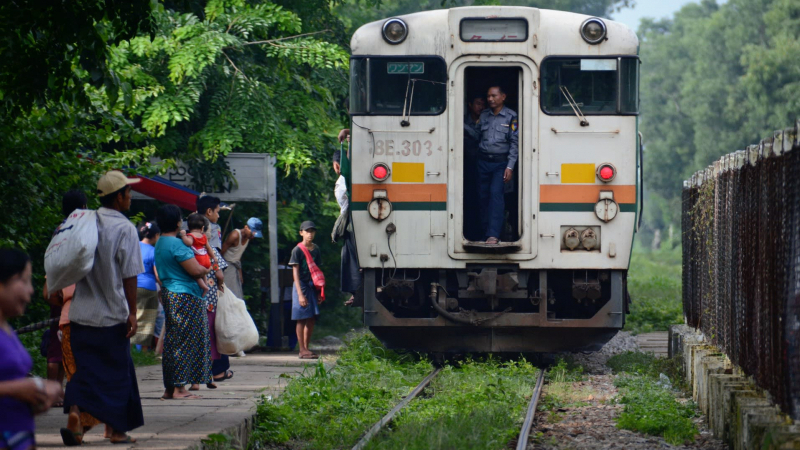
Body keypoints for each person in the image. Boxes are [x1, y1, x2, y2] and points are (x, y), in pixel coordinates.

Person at [62, 170, 145, 445]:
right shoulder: (124, 228)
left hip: (80, 314)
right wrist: (133, 312)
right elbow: (130, 274)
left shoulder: (84, 221)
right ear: (119, 197)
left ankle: (75, 415)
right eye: (128, 192)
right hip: (110, 315)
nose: (131, 197)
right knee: (117, 376)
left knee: (85, 373)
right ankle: (118, 431)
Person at [0, 249, 62, 450]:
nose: (32, 291)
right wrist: (22, 388)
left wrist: (35, 394)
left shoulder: (7, 328)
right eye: (24, 281)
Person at [154, 204, 213, 399]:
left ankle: (170, 388)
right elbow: (195, 270)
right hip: (185, 295)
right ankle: (180, 388)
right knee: (185, 341)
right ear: (178, 222)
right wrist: (208, 268)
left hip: (170, 293)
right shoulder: (177, 245)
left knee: (173, 341)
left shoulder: (160, 243)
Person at [463, 86, 518, 244]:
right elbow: (476, 135)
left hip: (500, 163)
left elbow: (515, 143)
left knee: (496, 196)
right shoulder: (485, 115)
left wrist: (510, 167)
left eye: (494, 96)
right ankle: (485, 233)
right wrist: (462, 126)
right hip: (483, 162)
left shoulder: (511, 116)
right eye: (488, 96)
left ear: (503, 97)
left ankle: (494, 234)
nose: (490, 99)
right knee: (483, 198)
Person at [195, 196, 234, 384]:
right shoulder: (210, 230)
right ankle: (218, 370)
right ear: (209, 212)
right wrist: (219, 273)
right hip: (209, 289)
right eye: (218, 211)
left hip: (192, 287)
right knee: (213, 328)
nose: (218, 215)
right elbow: (214, 256)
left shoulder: (187, 229)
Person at [289, 221, 324, 360]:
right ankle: (302, 349)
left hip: (312, 286)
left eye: (312, 231)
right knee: (301, 318)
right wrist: (300, 294)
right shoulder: (297, 250)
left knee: (311, 318)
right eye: (307, 231)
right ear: (301, 233)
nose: (310, 234)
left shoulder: (316, 249)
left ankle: (306, 347)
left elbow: (318, 271)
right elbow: (295, 273)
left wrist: (319, 291)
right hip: (301, 285)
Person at [132, 222, 160, 351]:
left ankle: (133, 349)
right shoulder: (154, 251)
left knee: (134, 317)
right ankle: (142, 351)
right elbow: (157, 275)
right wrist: (164, 287)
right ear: (155, 236)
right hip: (148, 289)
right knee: (146, 321)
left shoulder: (134, 247)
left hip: (131, 286)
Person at [221, 217, 262, 299]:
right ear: (246, 227)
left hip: (236, 266)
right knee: (229, 295)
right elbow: (221, 252)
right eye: (252, 233)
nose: (253, 236)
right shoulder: (235, 235)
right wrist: (218, 270)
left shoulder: (249, 237)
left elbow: (238, 255)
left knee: (238, 295)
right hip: (226, 267)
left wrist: (240, 272)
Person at [463, 94, 486, 241]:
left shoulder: (488, 119)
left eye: (483, 104)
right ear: (470, 105)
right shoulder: (464, 119)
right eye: (478, 103)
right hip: (466, 166)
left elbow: (478, 136)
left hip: (484, 164)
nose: (481, 107)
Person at [180, 213, 217, 298]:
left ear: (189, 227)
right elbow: (208, 248)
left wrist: (183, 235)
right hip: (206, 259)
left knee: (196, 275)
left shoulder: (191, 236)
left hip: (198, 259)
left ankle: (204, 287)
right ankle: (206, 283)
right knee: (203, 274)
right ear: (203, 228)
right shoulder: (204, 236)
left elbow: (188, 243)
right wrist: (214, 257)